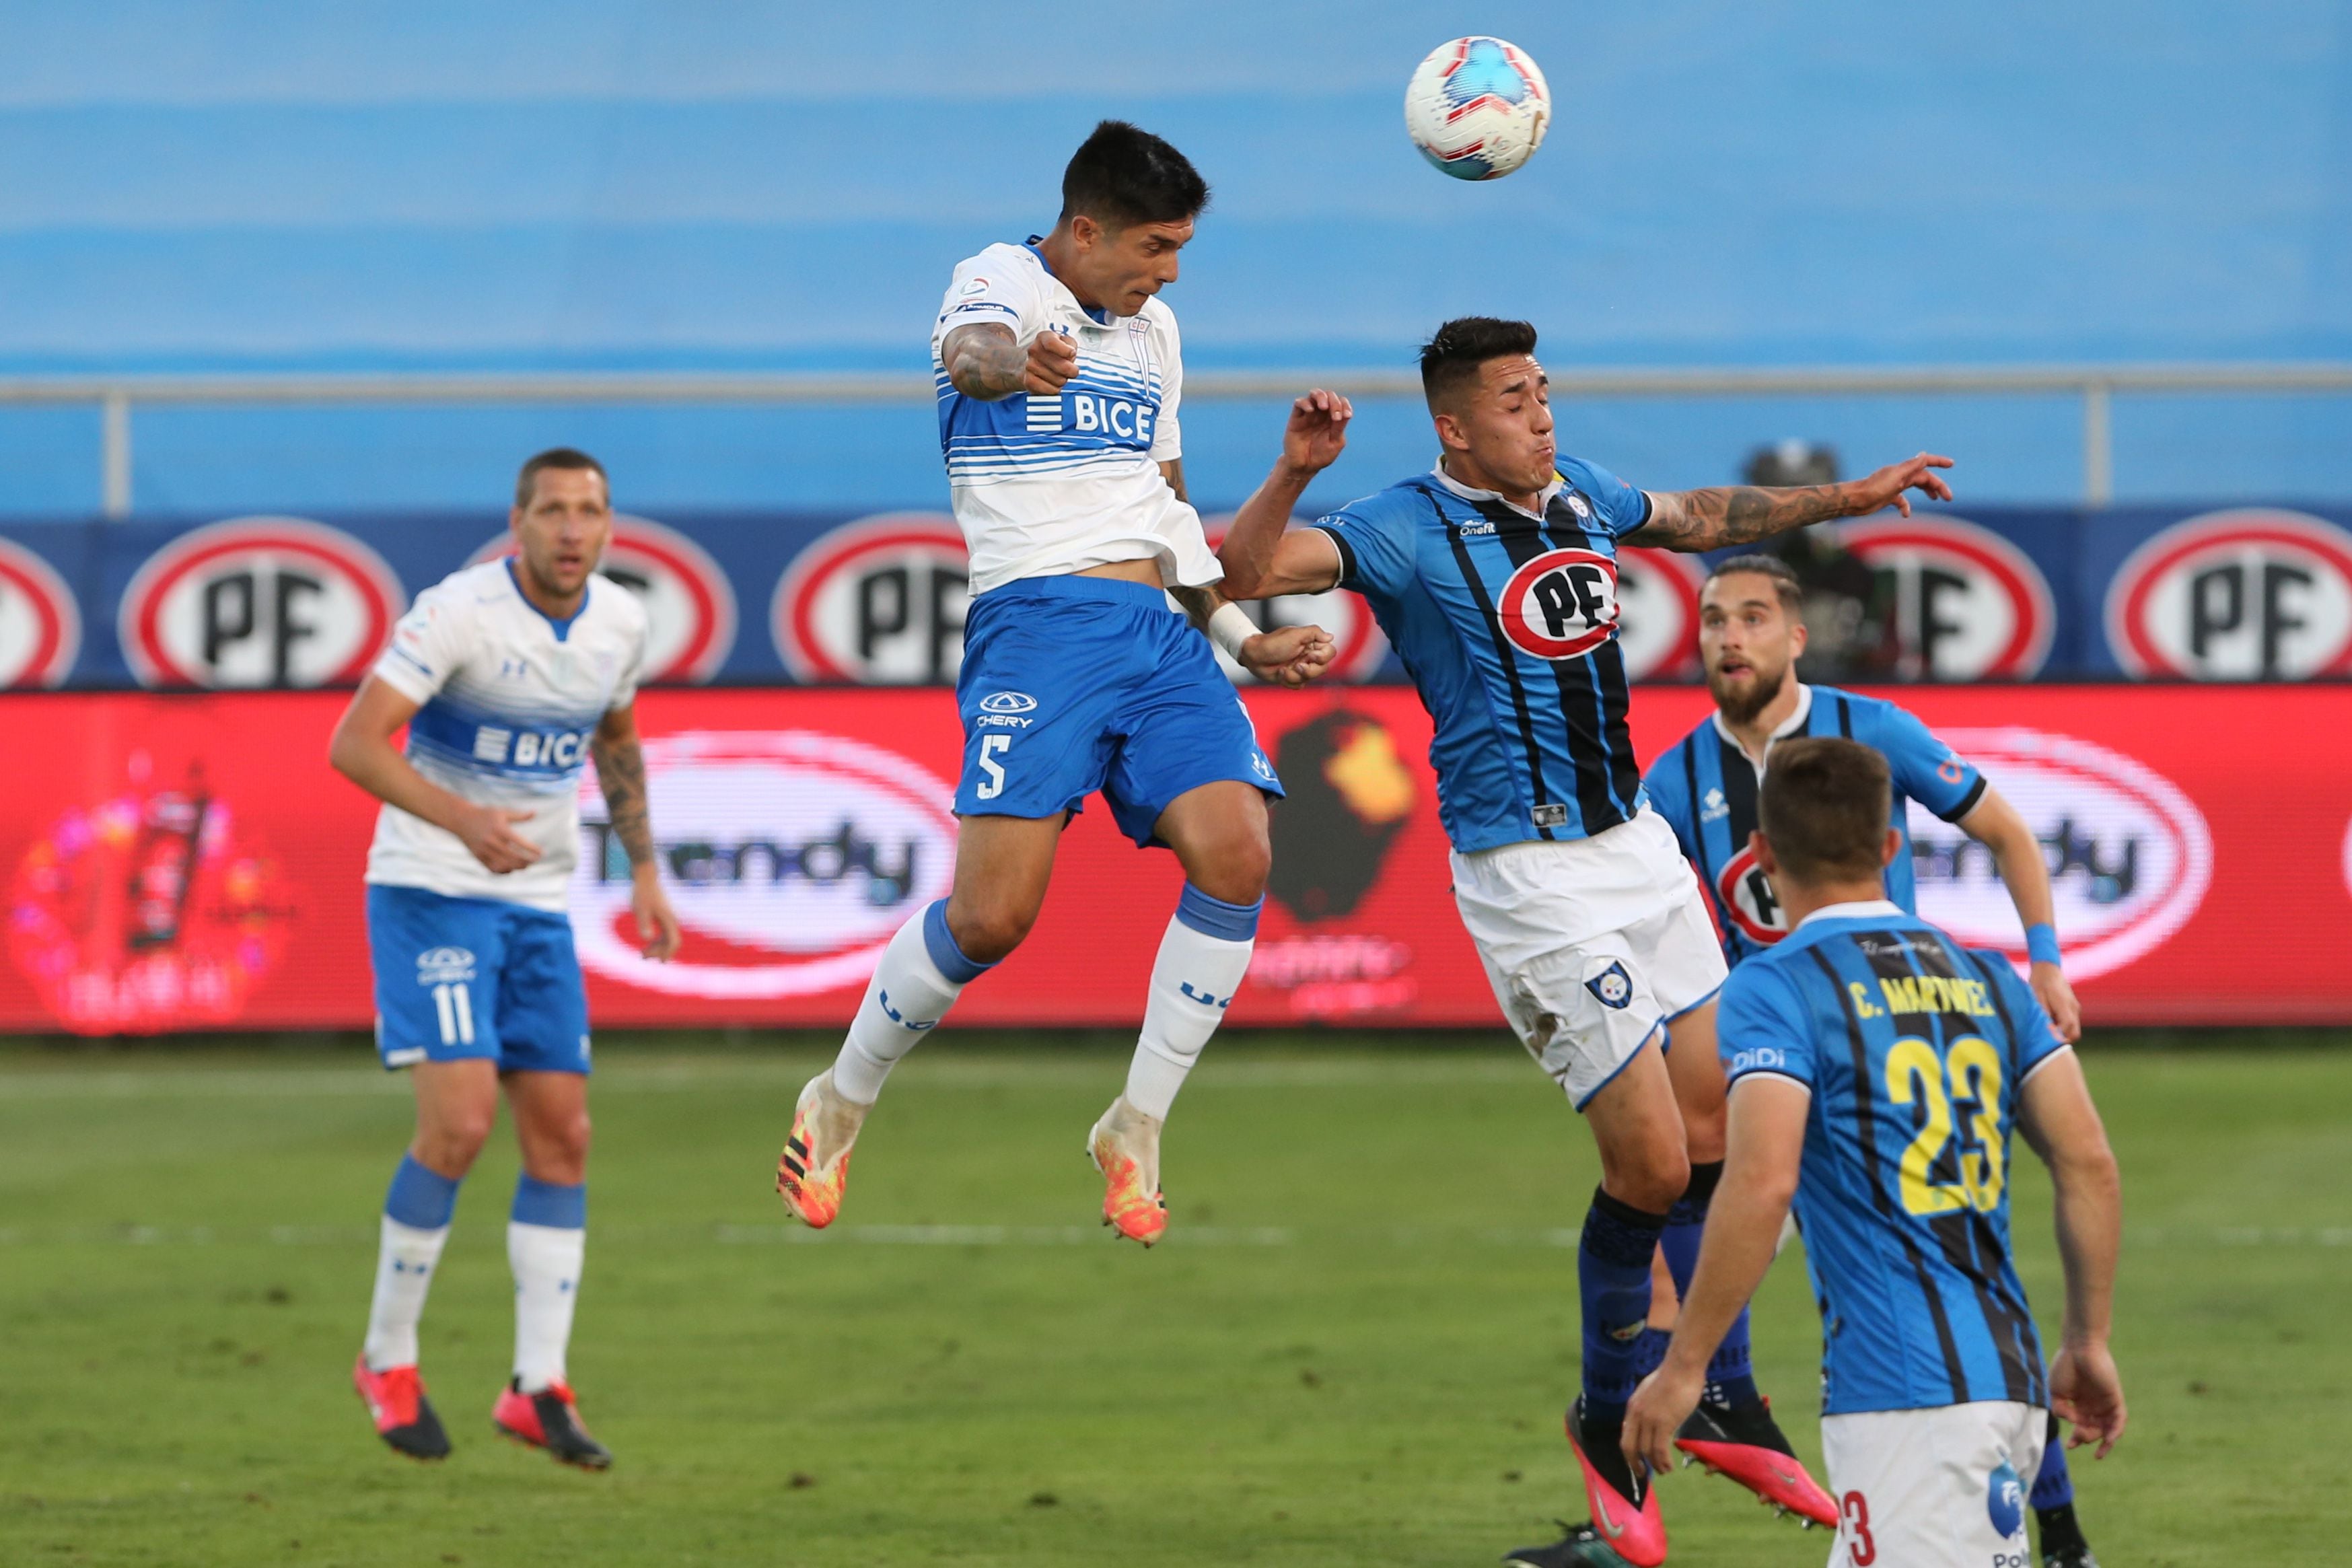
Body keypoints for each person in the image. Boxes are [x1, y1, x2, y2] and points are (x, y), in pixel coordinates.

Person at [1213, 315, 1955, 1567]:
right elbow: (1243, 573)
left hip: (1637, 853)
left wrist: (1855, 495)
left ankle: (1717, 1384)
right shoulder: (1401, 524)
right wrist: (1294, 466)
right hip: (1529, 875)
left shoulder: (1577, 494)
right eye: (1514, 397)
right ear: (1456, 425)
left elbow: (1705, 514)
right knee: (1656, 1169)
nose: (1540, 412)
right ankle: (1608, 1417)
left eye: (1543, 389)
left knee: (1733, 1119)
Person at [774, 120, 1339, 1248]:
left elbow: (1162, 508)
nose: (1169, 271)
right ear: (1085, 231)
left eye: (1179, 248)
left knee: (1239, 851)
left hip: (1161, 635)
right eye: (1155, 245)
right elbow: (969, 354)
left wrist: (1235, 630)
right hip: (1038, 624)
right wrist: (1006, 361)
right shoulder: (1000, 281)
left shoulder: (1157, 331)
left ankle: (1135, 1121)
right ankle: (840, 1095)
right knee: (992, 918)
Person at [1642, 551, 2100, 1567]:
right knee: (1871, 1264)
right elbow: (1643, 917)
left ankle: (2053, 1524)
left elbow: (2007, 829)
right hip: (1773, 1047)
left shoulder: (1870, 733)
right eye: (1715, 618)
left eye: (1753, 617)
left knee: (1918, 1269)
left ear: (1794, 636)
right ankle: (1720, 1398)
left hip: (1893, 1029)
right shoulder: (1671, 779)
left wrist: (2050, 962)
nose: (1730, 637)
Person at [328, 447, 682, 1468]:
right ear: (518, 522)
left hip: (535, 901)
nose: (575, 529)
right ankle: (386, 1357)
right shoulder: (458, 612)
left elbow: (617, 736)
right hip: (431, 890)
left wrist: (646, 869)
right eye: (555, 511)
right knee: (461, 1123)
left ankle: (537, 1384)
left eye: (592, 511)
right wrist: (465, 821)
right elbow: (356, 742)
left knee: (564, 1136)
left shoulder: (620, 620)